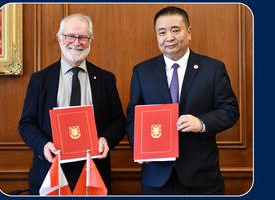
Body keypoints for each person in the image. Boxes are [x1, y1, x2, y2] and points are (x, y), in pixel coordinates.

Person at [126, 6, 239, 195]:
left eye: (175, 30)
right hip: (156, 178)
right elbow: (132, 116)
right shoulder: (141, 71)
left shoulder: (213, 68)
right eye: (162, 32)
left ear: (189, 32)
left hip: (202, 177)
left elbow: (230, 110)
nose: (169, 37)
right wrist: (138, 145)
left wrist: (202, 122)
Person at [19, 14, 125, 195]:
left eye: (83, 37)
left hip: (94, 174)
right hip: (49, 172)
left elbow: (118, 121)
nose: (76, 42)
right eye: (71, 36)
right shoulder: (40, 80)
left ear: (90, 41)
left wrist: (105, 139)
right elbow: (27, 123)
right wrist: (44, 145)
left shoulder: (105, 79)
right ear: (60, 39)